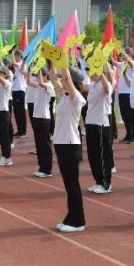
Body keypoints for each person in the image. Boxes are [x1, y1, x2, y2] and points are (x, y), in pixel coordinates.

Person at [51, 66, 88, 232]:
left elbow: (66, 79)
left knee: (73, 185)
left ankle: (78, 221)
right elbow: (54, 79)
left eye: (65, 80)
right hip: (61, 144)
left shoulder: (77, 98)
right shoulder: (65, 96)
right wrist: (50, 62)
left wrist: (63, 63)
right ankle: (71, 217)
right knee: (68, 185)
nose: (62, 82)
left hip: (70, 145)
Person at [85, 63, 116, 194]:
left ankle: (106, 184)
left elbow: (108, 89)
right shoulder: (92, 85)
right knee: (93, 155)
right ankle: (98, 181)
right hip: (91, 123)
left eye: (91, 70)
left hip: (101, 125)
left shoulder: (106, 84)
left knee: (103, 156)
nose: (89, 72)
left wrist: (100, 68)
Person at [26, 67, 55, 177]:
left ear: (45, 75)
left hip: (44, 118)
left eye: (40, 75)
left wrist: (37, 67)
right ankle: (41, 167)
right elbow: (28, 82)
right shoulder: (39, 86)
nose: (38, 77)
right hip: (37, 117)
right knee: (39, 144)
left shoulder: (49, 86)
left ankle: (47, 169)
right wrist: (29, 70)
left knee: (45, 144)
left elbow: (41, 82)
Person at [0, 61, 15, 167]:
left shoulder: (7, 83)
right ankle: (4, 156)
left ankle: (7, 157)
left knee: (5, 136)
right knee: (0, 136)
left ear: (5, 74)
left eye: (1, 72)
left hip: (4, 112)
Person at [117, 52, 134, 143]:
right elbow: (113, 62)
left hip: (129, 93)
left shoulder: (133, 63)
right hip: (121, 93)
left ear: (130, 55)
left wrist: (122, 52)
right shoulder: (122, 64)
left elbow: (129, 61)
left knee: (130, 116)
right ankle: (128, 134)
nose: (122, 57)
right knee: (124, 115)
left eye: (124, 55)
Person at [11, 50, 29, 138]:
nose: (15, 57)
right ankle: (19, 130)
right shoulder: (14, 66)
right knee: (16, 111)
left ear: (20, 56)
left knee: (21, 111)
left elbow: (14, 63)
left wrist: (11, 53)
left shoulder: (22, 64)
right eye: (15, 55)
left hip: (20, 89)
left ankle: (23, 131)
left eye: (16, 55)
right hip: (14, 89)